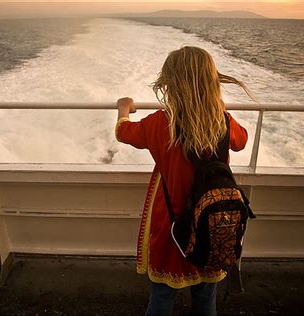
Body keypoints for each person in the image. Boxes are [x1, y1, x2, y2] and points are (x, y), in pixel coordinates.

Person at [115, 46, 250, 316]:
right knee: (205, 298)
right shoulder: (222, 120)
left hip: (172, 225)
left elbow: (123, 132)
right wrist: (216, 110)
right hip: (211, 224)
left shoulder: (159, 122)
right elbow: (242, 140)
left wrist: (123, 108)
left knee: (162, 295)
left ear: (170, 83)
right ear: (212, 81)